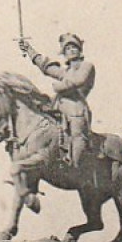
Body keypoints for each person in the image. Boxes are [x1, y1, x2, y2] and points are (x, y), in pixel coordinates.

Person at [19, 33, 95, 168]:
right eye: (67, 48)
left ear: (79, 50)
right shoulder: (65, 72)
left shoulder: (86, 66)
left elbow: (78, 81)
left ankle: (79, 168)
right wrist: (29, 50)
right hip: (59, 109)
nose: (71, 50)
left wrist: (59, 87)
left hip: (76, 110)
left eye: (74, 47)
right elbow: (47, 67)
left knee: (78, 136)